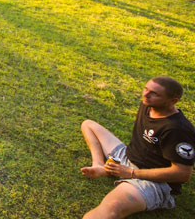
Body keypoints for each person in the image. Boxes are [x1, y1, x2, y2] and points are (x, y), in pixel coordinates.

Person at [80, 76, 195, 218]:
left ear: (173, 101)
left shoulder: (178, 129)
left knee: (111, 208)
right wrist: (123, 168)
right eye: (146, 89)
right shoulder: (148, 104)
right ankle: (100, 166)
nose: (146, 95)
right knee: (88, 125)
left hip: (154, 182)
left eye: (155, 94)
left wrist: (131, 173)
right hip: (127, 158)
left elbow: (183, 173)